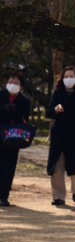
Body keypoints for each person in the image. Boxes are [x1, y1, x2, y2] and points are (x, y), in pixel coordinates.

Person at [46, 66, 75, 206]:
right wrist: (56, 109)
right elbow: (49, 113)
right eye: (66, 76)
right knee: (57, 168)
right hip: (59, 135)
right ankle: (58, 197)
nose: (68, 79)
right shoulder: (57, 94)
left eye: (71, 76)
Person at [0, 70, 32, 207]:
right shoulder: (0, 96)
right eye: (10, 82)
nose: (12, 84)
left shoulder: (24, 101)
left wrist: (14, 113)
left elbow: (24, 120)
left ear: (21, 86)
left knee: (9, 166)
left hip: (13, 137)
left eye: (16, 82)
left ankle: (4, 195)